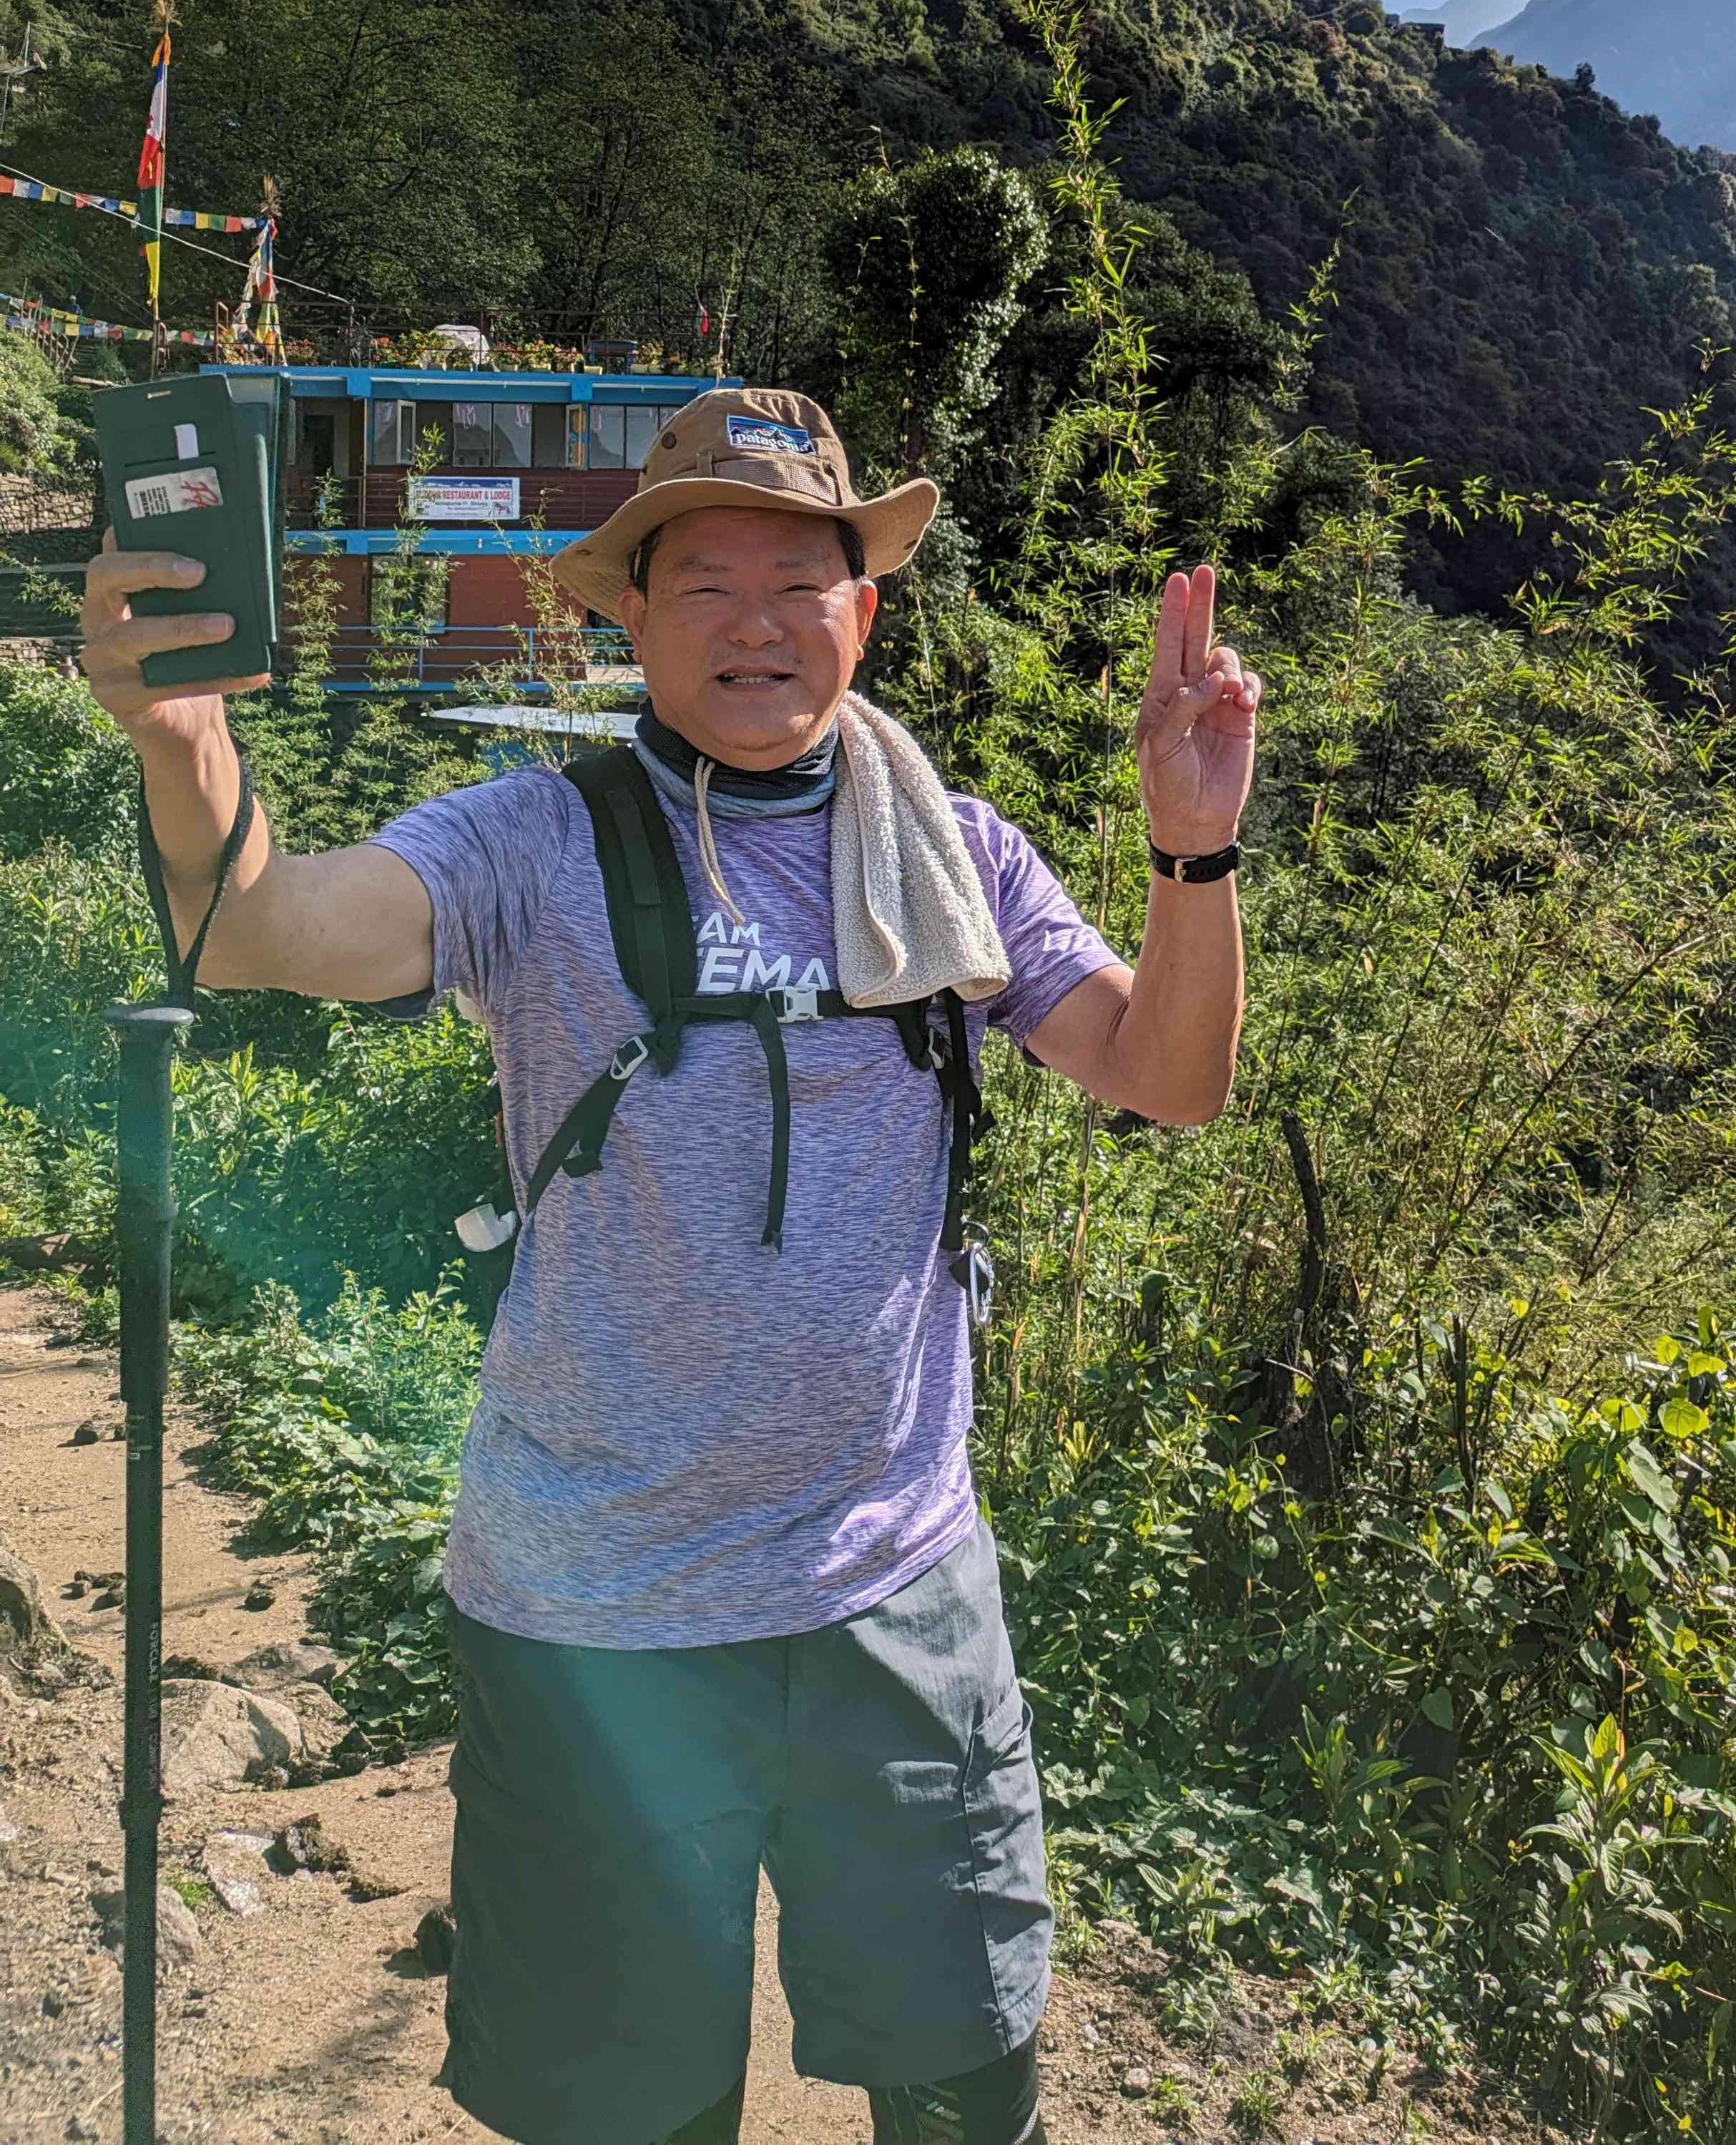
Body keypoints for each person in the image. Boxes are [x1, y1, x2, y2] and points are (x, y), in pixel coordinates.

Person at [81, 386, 1261, 2145]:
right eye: (703, 579)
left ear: (865, 610)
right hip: (595, 1612)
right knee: (629, 2114)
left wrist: (1191, 843)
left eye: (805, 577)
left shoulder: (958, 854)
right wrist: (185, 745)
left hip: (894, 1582)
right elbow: (265, 925)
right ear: (630, 614)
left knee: (966, 2081)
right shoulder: (532, 840)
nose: (758, 620)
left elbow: (1169, 1074)